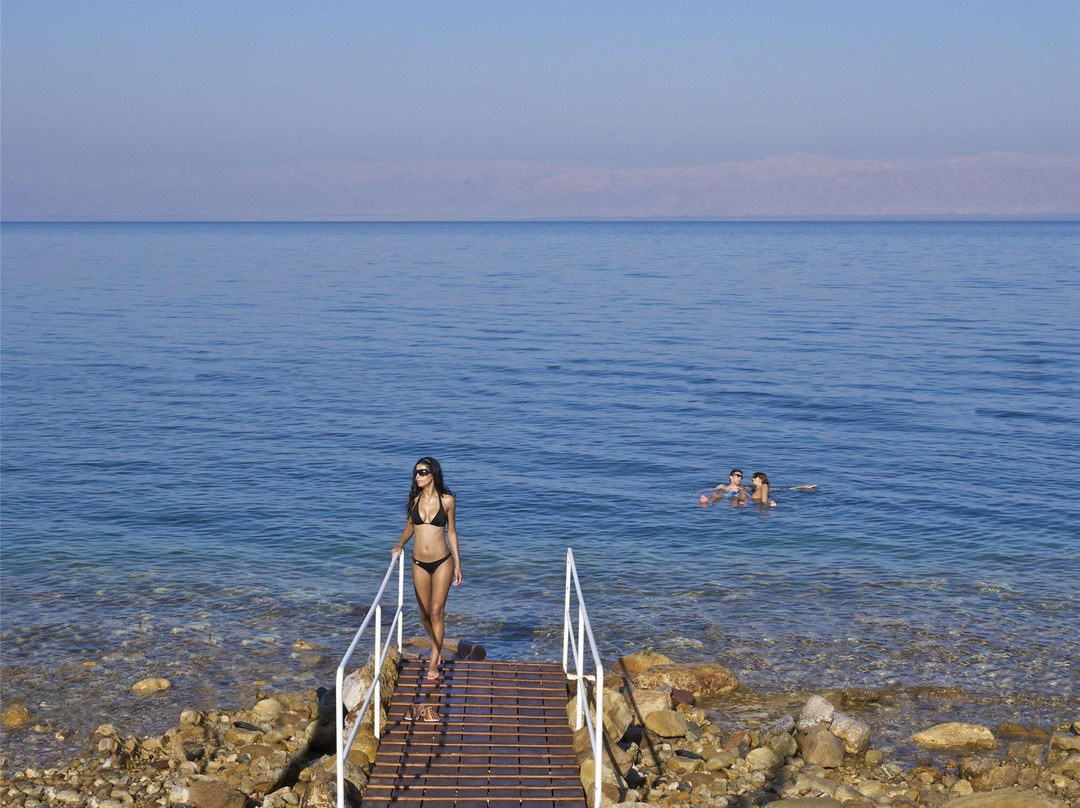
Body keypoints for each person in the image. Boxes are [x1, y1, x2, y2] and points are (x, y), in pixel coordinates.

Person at [390, 457, 462, 682]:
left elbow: (451, 532)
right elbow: (410, 527)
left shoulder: (447, 500)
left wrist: (458, 563)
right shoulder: (414, 500)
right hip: (418, 562)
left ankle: (434, 660)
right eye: (416, 472)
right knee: (423, 613)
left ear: (433, 475)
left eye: (423, 472)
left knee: (436, 611)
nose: (418, 476)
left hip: (442, 562)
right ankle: (436, 644)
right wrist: (399, 544)